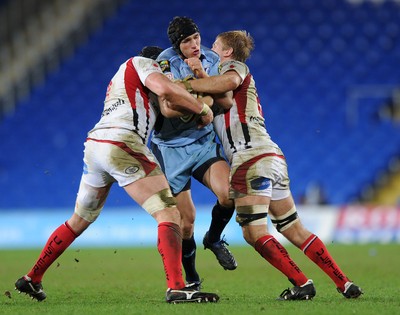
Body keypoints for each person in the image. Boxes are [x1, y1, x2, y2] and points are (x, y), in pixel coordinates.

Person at [14, 46, 220, 304]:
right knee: (169, 213)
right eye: (164, 68)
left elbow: (169, 104)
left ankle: (32, 277)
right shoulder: (143, 64)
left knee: (79, 220)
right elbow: (167, 89)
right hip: (122, 142)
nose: (166, 73)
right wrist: (202, 109)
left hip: (97, 145)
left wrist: (199, 100)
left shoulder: (123, 84)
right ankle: (177, 287)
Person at [184, 30, 363, 300]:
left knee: (253, 232)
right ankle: (344, 282)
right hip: (272, 158)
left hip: (250, 158)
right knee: (293, 228)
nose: (210, 49)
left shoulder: (233, 68)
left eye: (216, 45)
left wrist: (188, 82)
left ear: (228, 52)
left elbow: (228, 82)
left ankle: (302, 284)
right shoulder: (218, 81)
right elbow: (219, 97)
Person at [151, 16, 237, 289]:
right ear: (177, 45)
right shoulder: (164, 62)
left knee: (229, 194)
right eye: (187, 41)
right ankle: (192, 278)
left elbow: (226, 101)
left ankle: (213, 238)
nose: (195, 44)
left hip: (202, 144)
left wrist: (200, 75)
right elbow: (167, 107)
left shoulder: (210, 59)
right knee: (186, 223)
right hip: (171, 149)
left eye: (196, 37)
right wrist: (202, 104)